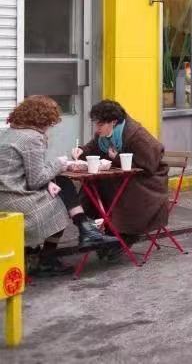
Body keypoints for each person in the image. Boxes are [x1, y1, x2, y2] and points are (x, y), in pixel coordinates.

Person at [0, 97, 116, 276]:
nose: (51, 126)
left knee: (61, 183)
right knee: (62, 204)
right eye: (51, 122)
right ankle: (49, 257)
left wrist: (49, 181)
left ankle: (85, 230)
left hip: (6, 194)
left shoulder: (9, 133)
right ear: (42, 119)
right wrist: (59, 163)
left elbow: (23, 171)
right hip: (16, 199)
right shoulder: (32, 137)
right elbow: (35, 180)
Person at [73, 100, 171, 245]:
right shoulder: (103, 136)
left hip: (149, 181)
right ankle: (92, 225)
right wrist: (81, 150)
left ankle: (123, 234)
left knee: (121, 187)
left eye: (100, 125)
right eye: (96, 124)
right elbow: (92, 147)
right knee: (92, 184)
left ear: (113, 122)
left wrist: (117, 158)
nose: (97, 129)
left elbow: (150, 162)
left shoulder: (137, 135)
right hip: (124, 177)